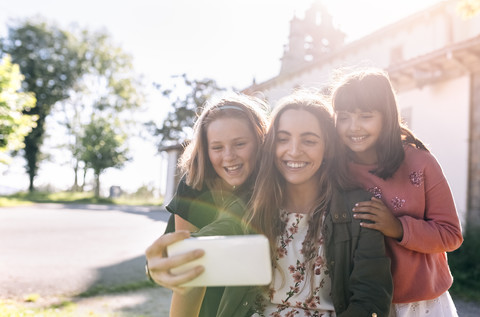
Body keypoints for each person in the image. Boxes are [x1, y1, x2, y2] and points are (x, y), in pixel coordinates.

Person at [215, 91, 393, 316]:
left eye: (309, 140)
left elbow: (371, 301)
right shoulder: (251, 204)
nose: (294, 151)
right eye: (283, 139)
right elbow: (214, 235)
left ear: (327, 147)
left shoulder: (359, 208)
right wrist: (176, 245)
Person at [331, 67, 463, 317]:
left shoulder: (420, 162)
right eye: (344, 116)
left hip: (421, 302)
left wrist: (398, 228)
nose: (353, 127)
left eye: (366, 116)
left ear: (387, 116)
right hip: (361, 301)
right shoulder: (336, 170)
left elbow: (451, 234)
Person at [146, 92, 269, 317]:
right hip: (207, 300)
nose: (229, 156)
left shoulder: (271, 184)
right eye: (217, 147)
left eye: (240, 143)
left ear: (260, 139)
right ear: (205, 148)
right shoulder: (194, 182)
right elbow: (188, 270)